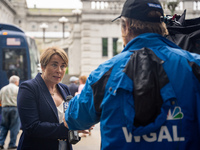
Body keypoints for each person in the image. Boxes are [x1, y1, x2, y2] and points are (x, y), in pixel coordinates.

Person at [64, 0, 200, 149]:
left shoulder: (105, 73)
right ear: (162, 27)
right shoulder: (193, 65)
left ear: (125, 26)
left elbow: (74, 118)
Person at [17, 47, 75, 150]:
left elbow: (69, 120)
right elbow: (32, 127)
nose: (59, 70)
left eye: (63, 66)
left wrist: (79, 126)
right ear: (43, 66)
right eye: (54, 65)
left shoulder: (65, 89)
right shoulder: (29, 88)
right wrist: (67, 129)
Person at [0, 75, 20, 149]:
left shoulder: (3, 89)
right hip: (15, 109)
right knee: (14, 127)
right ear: (16, 82)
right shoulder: (18, 89)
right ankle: (12, 144)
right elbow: (20, 100)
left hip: (4, 108)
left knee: (4, 126)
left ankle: (1, 143)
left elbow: (0, 100)